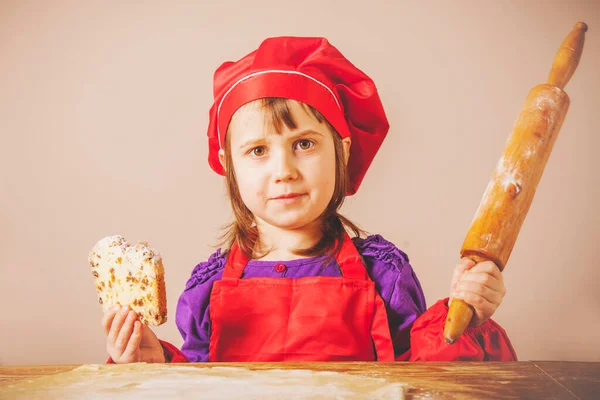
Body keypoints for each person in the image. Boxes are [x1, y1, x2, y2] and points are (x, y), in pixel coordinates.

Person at [101, 37, 517, 363]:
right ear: (229, 165)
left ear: (344, 151)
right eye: (258, 151)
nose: (284, 170)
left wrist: (466, 319)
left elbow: (424, 381)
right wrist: (153, 364)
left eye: (303, 143)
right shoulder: (207, 289)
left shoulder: (382, 273)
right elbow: (197, 384)